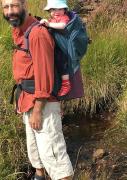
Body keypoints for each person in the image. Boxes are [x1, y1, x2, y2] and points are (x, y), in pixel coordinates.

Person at [1, 0, 74, 179]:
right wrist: (22, 102)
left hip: (42, 105)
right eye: (5, 7)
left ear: (24, 5)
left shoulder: (38, 34)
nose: (10, 11)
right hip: (28, 101)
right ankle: (39, 176)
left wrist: (38, 110)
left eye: (14, 5)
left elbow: (45, 76)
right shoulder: (20, 30)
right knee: (37, 155)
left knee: (55, 159)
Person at [40, 0, 71, 97]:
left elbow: (62, 26)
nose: (57, 12)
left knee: (61, 62)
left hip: (62, 47)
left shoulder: (64, 18)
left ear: (64, 10)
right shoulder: (51, 20)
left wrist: (49, 25)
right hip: (54, 46)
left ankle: (66, 83)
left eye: (60, 9)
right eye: (53, 9)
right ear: (49, 11)